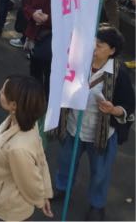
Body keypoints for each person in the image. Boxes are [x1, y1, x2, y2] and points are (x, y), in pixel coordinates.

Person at [54, 24, 135, 221]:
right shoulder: (77, 63)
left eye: (99, 45)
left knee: (100, 172)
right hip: (73, 126)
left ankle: (97, 205)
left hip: (100, 134)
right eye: (93, 42)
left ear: (112, 50)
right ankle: (62, 188)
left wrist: (113, 110)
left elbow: (128, 106)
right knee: (66, 162)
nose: (93, 47)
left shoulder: (119, 74)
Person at [0, 75, 53, 221]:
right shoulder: (28, 124)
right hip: (4, 203)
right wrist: (46, 193)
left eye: (3, 92)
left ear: (14, 105)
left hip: (7, 211)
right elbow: (41, 160)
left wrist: (40, 199)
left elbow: (30, 184)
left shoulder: (18, 149)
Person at [22, 0, 52, 96]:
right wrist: (33, 13)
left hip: (50, 39)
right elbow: (26, 5)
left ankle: (46, 98)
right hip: (35, 35)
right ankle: (35, 97)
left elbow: (67, 19)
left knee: (49, 72)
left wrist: (48, 19)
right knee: (34, 69)